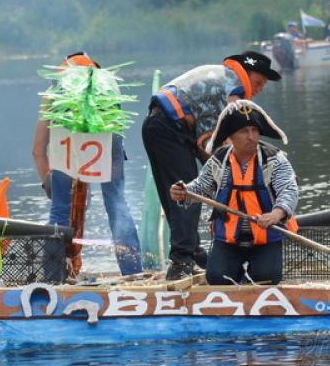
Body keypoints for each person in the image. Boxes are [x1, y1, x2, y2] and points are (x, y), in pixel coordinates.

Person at [142, 51, 282, 280]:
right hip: (169, 128)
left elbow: (208, 149)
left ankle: (193, 255)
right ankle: (181, 262)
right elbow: (224, 150)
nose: (260, 89)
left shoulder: (222, 77)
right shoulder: (233, 89)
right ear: (247, 73)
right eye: (259, 82)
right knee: (188, 192)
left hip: (157, 126)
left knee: (178, 195)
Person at [32, 52, 142, 276]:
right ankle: (133, 273)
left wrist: (49, 184)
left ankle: (52, 277)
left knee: (59, 211)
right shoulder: (106, 85)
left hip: (66, 139)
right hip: (107, 138)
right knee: (117, 205)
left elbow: (37, 150)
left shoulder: (56, 89)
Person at [170, 100, 298, 285]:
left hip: (265, 237)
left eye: (254, 130)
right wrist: (184, 192)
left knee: (267, 278)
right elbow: (201, 187)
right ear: (230, 137)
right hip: (229, 239)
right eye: (244, 132)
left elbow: (288, 189)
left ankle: (253, 274)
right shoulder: (220, 161)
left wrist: (276, 214)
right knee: (216, 278)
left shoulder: (274, 159)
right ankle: (237, 274)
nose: (252, 137)